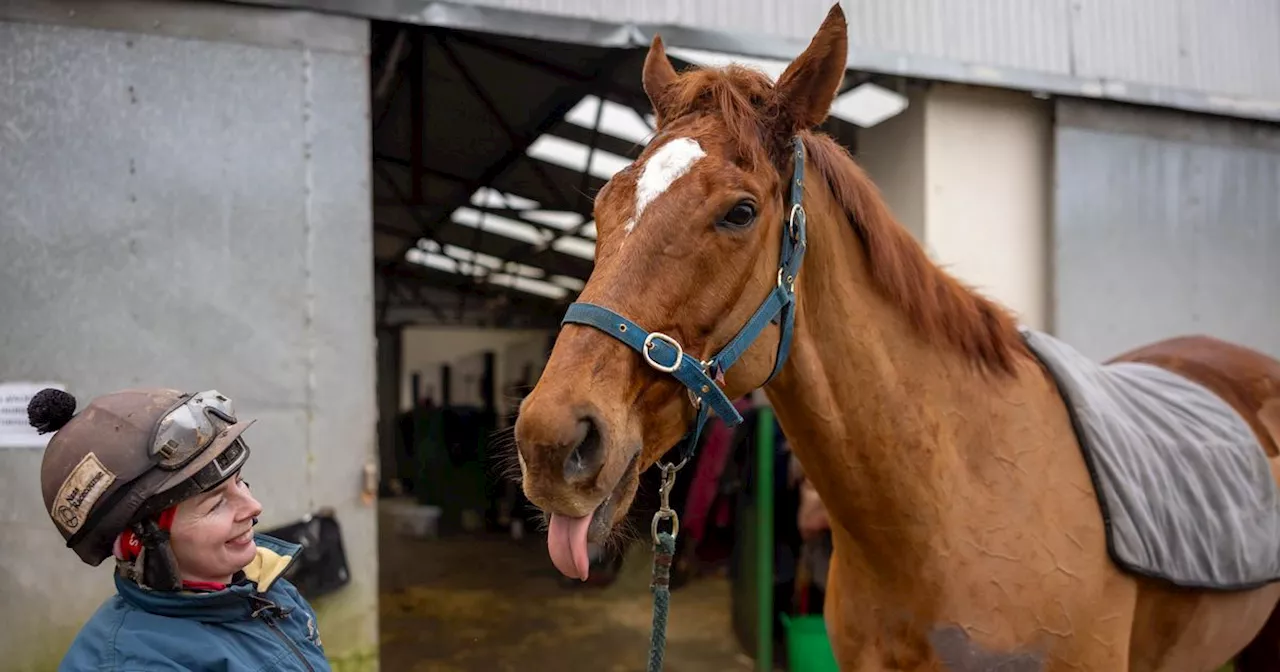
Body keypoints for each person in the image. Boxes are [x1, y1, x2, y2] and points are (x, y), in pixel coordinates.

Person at [30, 386, 330, 671]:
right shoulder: (137, 665)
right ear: (137, 541)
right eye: (215, 505)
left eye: (239, 482)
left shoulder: (264, 585)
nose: (253, 507)